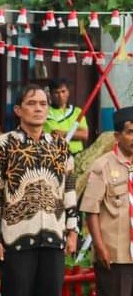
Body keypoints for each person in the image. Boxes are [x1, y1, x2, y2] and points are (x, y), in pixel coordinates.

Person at [0, 84, 79, 296]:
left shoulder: (60, 146)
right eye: (31, 103)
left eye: (43, 104)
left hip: (54, 239)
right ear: (18, 110)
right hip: (15, 240)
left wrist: (72, 230)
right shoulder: (5, 145)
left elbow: (69, 189)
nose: (38, 108)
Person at [80, 106, 133, 296]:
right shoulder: (102, 166)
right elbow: (91, 211)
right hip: (115, 256)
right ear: (118, 136)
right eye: (131, 133)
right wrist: (100, 248)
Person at [44, 77, 89, 155]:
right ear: (50, 94)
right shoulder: (46, 113)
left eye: (63, 91)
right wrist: (75, 133)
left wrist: (64, 133)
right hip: (57, 156)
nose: (60, 96)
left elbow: (84, 135)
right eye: (56, 93)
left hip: (78, 155)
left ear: (68, 92)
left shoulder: (77, 111)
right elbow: (55, 134)